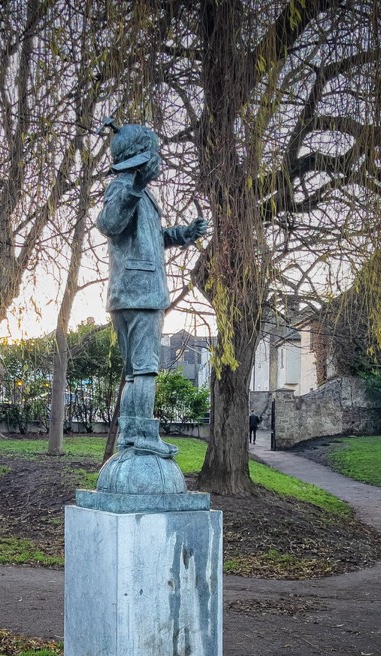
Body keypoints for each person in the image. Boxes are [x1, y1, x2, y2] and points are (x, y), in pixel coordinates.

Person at [97, 120, 208, 458]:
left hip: (134, 292)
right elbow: (109, 223)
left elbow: (150, 238)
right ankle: (142, 436)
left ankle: (131, 434)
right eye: (153, 155)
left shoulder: (139, 193)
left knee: (135, 372)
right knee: (145, 369)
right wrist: (134, 185)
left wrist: (183, 234)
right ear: (142, 158)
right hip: (139, 293)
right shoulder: (124, 187)